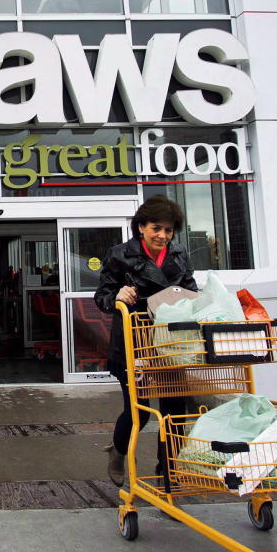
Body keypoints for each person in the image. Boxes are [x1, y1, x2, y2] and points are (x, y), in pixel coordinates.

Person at [94, 194, 197, 486]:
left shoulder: (179, 254)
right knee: (139, 411)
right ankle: (118, 451)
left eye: (168, 229)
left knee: (174, 414)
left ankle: (169, 475)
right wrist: (117, 296)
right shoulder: (120, 254)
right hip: (133, 342)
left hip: (172, 344)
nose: (163, 235)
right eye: (156, 228)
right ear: (141, 226)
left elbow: (192, 292)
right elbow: (101, 296)